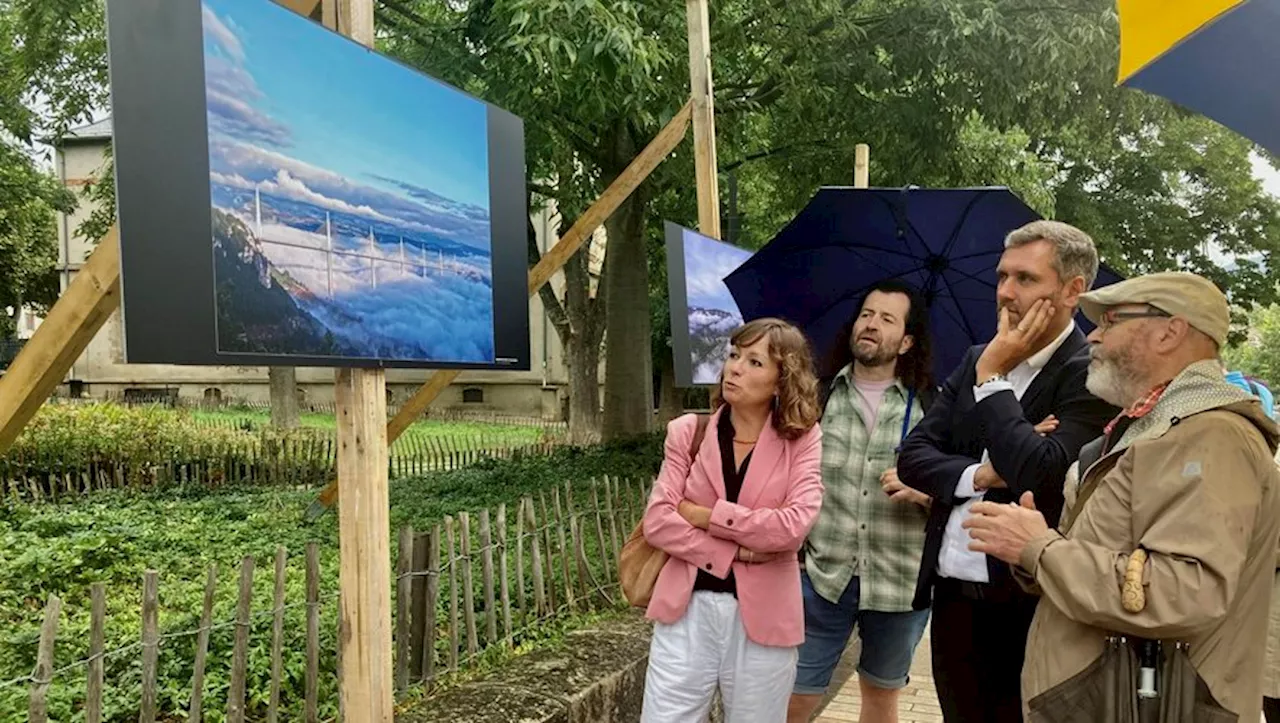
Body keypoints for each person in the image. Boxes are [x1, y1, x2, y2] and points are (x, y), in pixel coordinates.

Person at [963, 271, 1280, 723]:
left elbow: (1183, 592)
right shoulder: (1153, 428)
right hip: (1113, 701)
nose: (1094, 335)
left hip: (1151, 705)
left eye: (1111, 320)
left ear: (1171, 331)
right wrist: (1033, 550)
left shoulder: (1212, 436)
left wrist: (1040, 549)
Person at [896, 220, 1117, 723]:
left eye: (1025, 279)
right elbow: (912, 457)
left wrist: (994, 381)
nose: (1005, 292)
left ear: (1072, 290)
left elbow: (1041, 472)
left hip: (1027, 602)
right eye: (1002, 276)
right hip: (950, 593)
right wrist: (982, 475)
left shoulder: (1093, 372)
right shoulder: (977, 355)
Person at [640, 317, 824, 723]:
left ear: (782, 380)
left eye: (755, 362)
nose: (735, 367)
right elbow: (657, 521)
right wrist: (736, 551)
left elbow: (792, 527)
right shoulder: (688, 432)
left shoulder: (803, 439)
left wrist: (707, 516)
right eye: (734, 355)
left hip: (764, 619)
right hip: (685, 610)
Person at [787, 280, 934, 723]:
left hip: (900, 581)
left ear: (906, 341)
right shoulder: (816, 398)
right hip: (821, 576)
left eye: (887, 319)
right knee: (794, 698)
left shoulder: (934, 408)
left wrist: (926, 494)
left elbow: (962, 489)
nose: (871, 324)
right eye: (867, 314)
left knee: (881, 696)